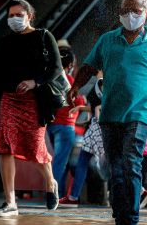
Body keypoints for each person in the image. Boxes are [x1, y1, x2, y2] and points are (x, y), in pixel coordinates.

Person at [67, 0, 147, 225]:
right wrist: (76, 87)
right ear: (119, 13)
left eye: (136, 11)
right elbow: (89, 66)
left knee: (131, 162)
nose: (130, 15)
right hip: (110, 115)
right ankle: (120, 214)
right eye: (126, 11)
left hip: (140, 114)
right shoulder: (107, 40)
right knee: (114, 167)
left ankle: (131, 218)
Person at [0, 0, 60, 217]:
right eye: (11, 15)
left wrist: (36, 81)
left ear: (29, 16)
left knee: (34, 148)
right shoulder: (4, 42)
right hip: (8, 99)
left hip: (34, 101)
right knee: (5, 146)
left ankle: (50, 183)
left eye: (19, 14)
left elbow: (56, 68)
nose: (14, 19)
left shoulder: (43, 36)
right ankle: (10, 202)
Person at [47, 48, 87, 198]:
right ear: (70, 65)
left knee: (59, 160)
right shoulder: (69, 81)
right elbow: (78, 101)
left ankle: (60, 193)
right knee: (60, 162)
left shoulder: (51, 79)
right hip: (66, 127)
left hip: (52, 125)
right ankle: (54, 195)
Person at [59, 78, 104, 205]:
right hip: (97, 129)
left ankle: (73, 197)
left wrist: (95, 114)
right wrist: (82, 108)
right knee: (84, 161)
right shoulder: (100, 83)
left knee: (112, 164)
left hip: (99, 130)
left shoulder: (105, 81)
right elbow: (98, 106)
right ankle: (73, 196)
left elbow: (104, 105)